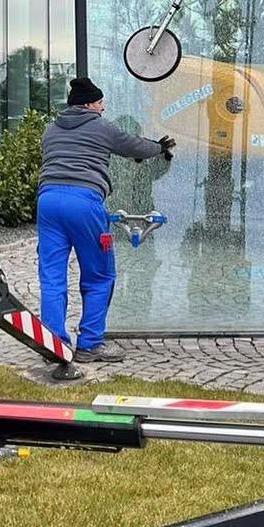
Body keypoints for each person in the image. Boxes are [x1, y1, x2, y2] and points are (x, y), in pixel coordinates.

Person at [37, 76, 174, 364]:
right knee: (99, 275)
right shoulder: (101, 127)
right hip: (83, 203)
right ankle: (89, 344)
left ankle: (53, 344)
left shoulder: (50, 129)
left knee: (52, 276)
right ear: (89, 105)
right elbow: (133, 145)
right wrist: (159, 148)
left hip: (47, 202)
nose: (103, 107)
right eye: (100, 102)